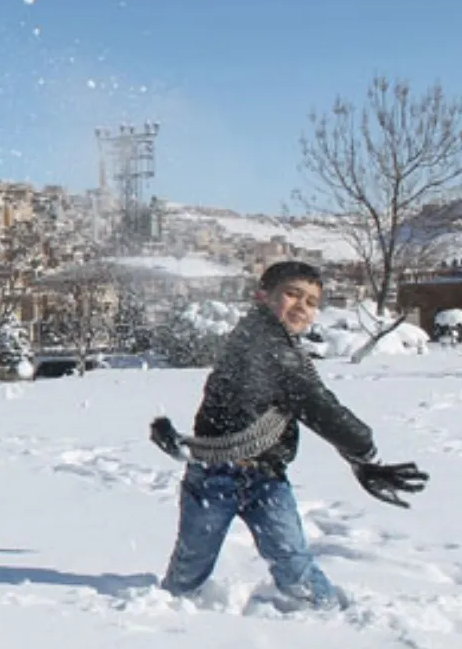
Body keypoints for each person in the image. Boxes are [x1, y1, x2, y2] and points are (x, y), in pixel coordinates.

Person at [149, 260, 429, 609]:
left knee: (289, 561)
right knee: (198, 567)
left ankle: (331, 620)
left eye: (312, 302)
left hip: (264, 475)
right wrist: (365, 450)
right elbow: (318, 405)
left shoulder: (276, 344)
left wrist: (358, 458)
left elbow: (297, 402)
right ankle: (163, 621)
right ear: (263, 297)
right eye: (292, 295)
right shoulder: (267, 345)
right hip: (215, 477)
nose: (302, 306)